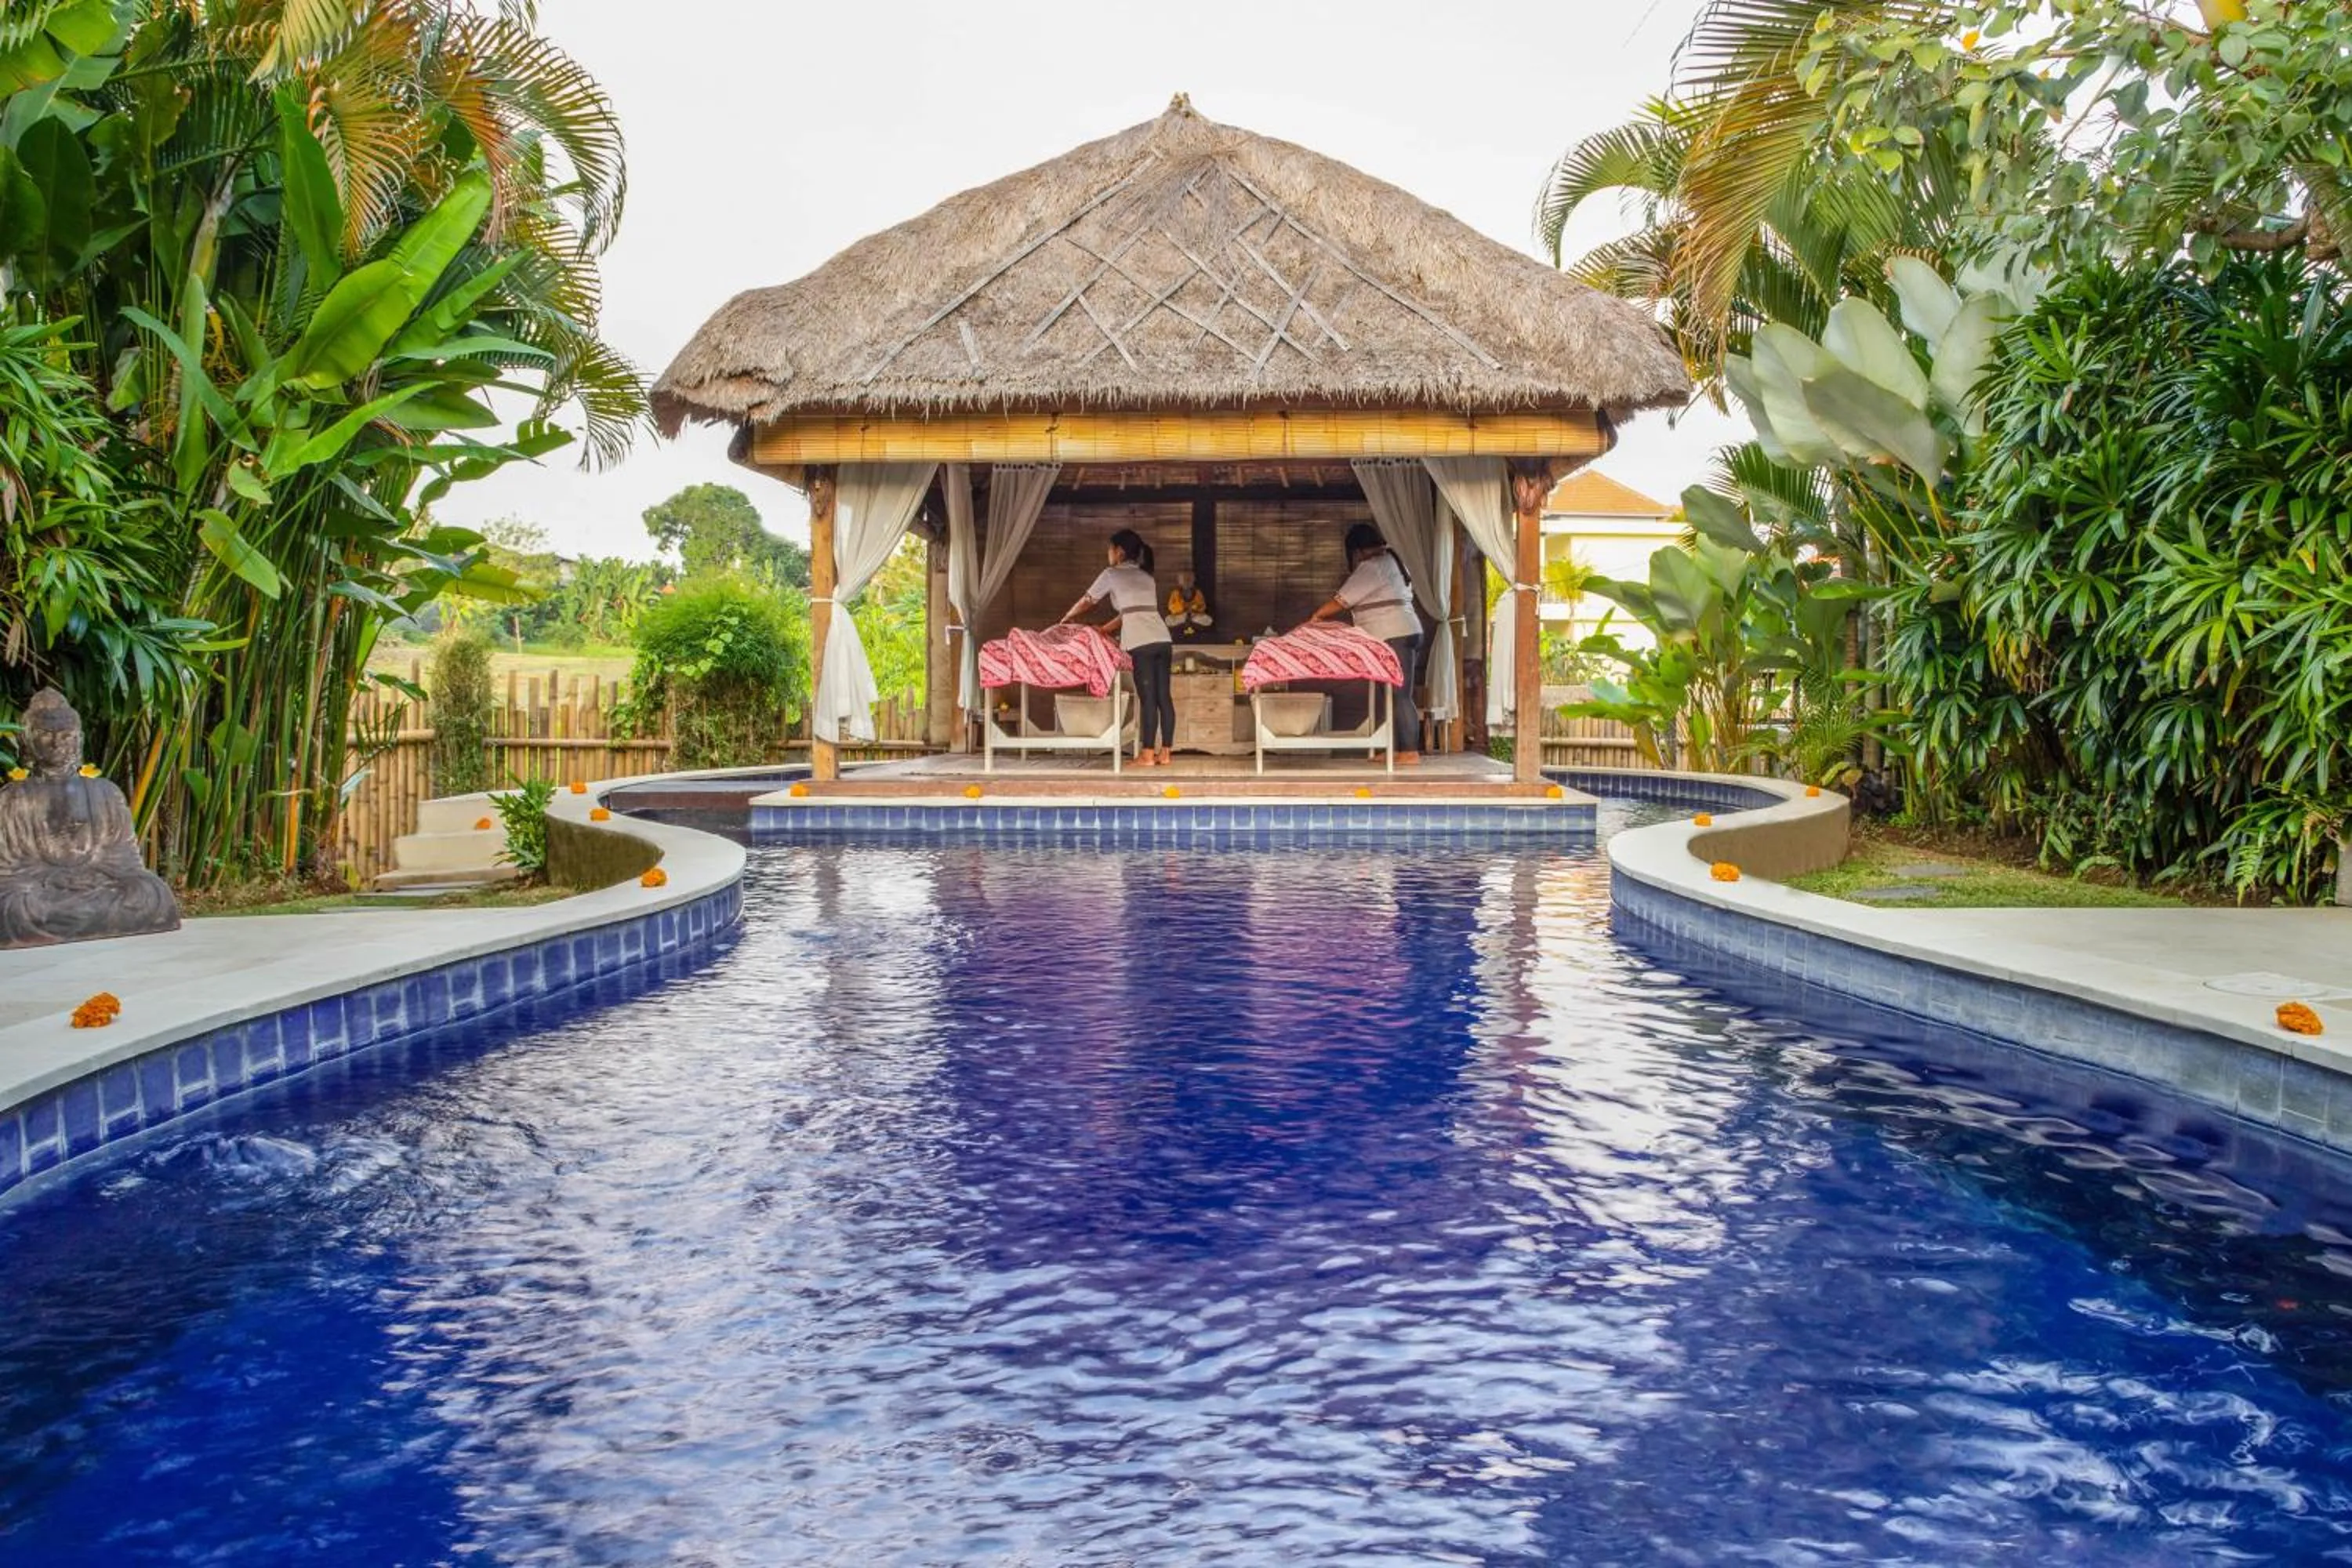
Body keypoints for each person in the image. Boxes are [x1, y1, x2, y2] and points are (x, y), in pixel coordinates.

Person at [1309, 523, 1422, 765]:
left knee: (1400, 695)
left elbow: (1341, 601)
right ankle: (1396, 750)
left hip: (1395, 634)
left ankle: (1410, 751)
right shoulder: (1392, 561)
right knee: (1392, 695)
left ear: (1358, 550)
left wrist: (1316, 617)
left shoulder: (1373, 567)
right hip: (1400, 632)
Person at [1061, 529, 1175, 767]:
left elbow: (1088, 600)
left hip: (1140, 642)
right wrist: (1103, 629)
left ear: (1119, 551)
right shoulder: (1146, 576)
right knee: (1164, 697)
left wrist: (1067, 616)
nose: (1108, 553)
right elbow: (1131, 613)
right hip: (1162, 640)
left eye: (1110, 548)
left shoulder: (1111, 574)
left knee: (1148, 698)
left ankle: (1146, 755)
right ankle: (1165, 754)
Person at [1164, 571, 1214, 639]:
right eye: (1184, 580)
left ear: (1193, 581)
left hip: (1194, 616)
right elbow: (1171, 607)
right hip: (1180, 616)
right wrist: (1183, 608)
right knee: (1168, 620)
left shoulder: (1197, 592)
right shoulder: (1175, 593)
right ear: (1179, 582)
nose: (1186, 582)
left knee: (1208, 620)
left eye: (1189, 580)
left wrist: (1195, 608)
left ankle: (1192, 628)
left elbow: (1203, 606)